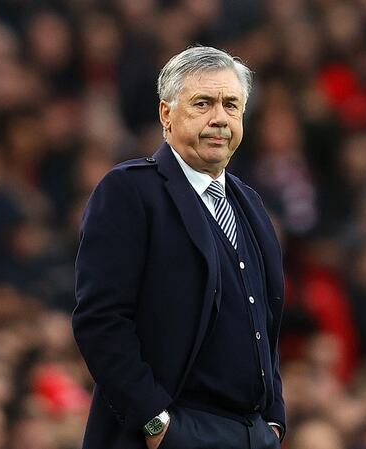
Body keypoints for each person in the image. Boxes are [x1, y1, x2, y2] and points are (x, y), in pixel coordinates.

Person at [72, 46, 286, 449]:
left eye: (231, 105)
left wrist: (273, 419)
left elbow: (266, 321)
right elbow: (100, 320)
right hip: (174, 431)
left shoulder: (252, 204)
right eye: (202, 103)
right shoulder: (129, 191)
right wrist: (155, 423)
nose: (219, 118)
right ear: (166, 115)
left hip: (252, 434)